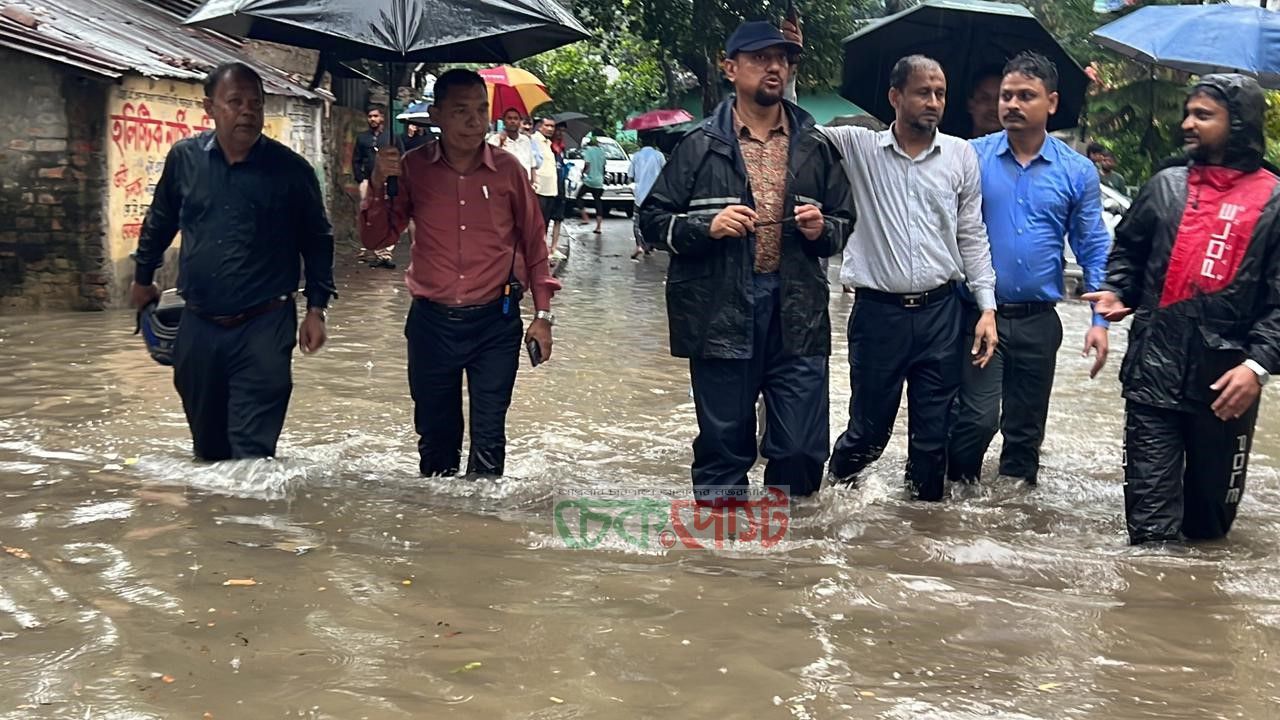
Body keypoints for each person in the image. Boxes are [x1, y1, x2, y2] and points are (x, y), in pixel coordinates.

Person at [640, 21, 855, 506]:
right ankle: (725, 568)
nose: (774, 67)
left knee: (802, 450)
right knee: (723, 449)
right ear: (731, 68)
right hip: (720, 310)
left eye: (782, 59)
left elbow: (844, 219)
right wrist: (706, 226)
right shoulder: (698, 144)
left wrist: (824, 229)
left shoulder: (815, 146)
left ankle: (787, 566)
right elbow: (651, 222)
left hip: (797, 310)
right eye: (760, 58)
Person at [784, 22, 998, 502]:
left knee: (931, 438)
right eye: (923, 92)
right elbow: (798, 123)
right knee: (868, 432)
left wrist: (986, 307)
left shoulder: (961, 156)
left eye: (940, 93)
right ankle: (826, 507)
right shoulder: (861, 147)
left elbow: (972, 234)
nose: (934, 102)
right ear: (895, 97)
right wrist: (791, 66)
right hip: (879, 314)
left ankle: (920, 534)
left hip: (943, 313)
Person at [1084, 74, 1280, 545]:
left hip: (1226, 384)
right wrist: (1117, 291)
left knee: (1209, 530)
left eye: (1203, 115)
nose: (1187, 123)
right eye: (1187, 113)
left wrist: (1257, 367)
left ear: (1238, 123)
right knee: (1150, 535)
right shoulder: (1166, 186)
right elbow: (1129, 251)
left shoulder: (1274, 200)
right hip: (1152, 376)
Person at [130, 61, 335, 461]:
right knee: (207, 452)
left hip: (265, 324)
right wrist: (142, 279)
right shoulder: (185, 160)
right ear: (210, 107)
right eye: (235, 102)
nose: (247, 111)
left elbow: (318, 240)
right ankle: (212, 523)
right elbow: (159, 222)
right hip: (199, 323)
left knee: (252, 454)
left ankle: (250, 523)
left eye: (255, 103)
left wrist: (316, 308)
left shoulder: (291, 171)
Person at [360, 69, 560, 479]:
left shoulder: (508, 171)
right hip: (431, 324)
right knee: (436, 444)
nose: (474, 121)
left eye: (480, 110)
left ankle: (483, 536)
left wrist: (542, 317)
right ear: (436, 115)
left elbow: (535, 245)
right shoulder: (412, 169)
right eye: (460, 111)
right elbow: (375, 236)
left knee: (489, 440)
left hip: (495, 323)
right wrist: (380, 182)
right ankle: (439, 534)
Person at [947, 52, 1112, 487]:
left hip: (1039, 321)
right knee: (978, 419)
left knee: (1024, 435)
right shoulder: (970, 157)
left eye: (1026, 96)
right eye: (1006, 96)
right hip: (980, 315)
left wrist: (1100, 321)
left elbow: (1092, 246)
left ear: (1052, 103)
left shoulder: (1076, 171)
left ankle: (1012, 527)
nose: (1012, 104)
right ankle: (950, 508)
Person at [354, 106, 396, 268]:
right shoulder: (363, 138)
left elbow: (401, 156)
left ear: (382, 118)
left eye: (375, 116)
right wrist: (361, 178)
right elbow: (356, 159)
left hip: (387, 181)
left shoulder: (390, 137)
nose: (372, 119)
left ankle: (385, 253)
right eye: (370, 116)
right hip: (368, 181)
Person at [628, 133, 665, 260]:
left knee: (637, 221)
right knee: (653, 220)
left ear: (640, 142)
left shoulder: (636, 156)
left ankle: (639, 245)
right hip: (655, 195)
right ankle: (649, 245)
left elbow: (630, 176)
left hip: (640, 194)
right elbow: (665, 173)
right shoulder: (659, 156)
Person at [531, 117, 564, 251]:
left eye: (552, 126)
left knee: (545, 222)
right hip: (540, 188)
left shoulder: (548, 144)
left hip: (551, 189)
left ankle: (541, 252)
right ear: (540, 126)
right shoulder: (534, 140)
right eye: (547, 126)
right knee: (538, 224)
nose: (550, 129)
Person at [488, 107, 538, 185]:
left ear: (520, 121)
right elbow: (491, 161)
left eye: (515, 118)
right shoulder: (494, 139)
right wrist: (501, 143)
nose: (512, 121)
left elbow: (532, 164)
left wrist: (535, 183)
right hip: (504, 183)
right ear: (504, 122)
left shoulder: (526, 140)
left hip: (524, 183)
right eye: (509, 118)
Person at [577, 136, 606, 234]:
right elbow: (603, 167)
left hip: (589, 181)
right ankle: (598, 227)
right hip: (599, 181)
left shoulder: (588, 151)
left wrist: (583, 173)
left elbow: (587, 165)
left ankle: (585, 217)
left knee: (579, 197)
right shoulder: (602, 152)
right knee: (598, 202)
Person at [966, 67, 1003, 138]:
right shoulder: (954, 147)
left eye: (1000, 99)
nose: (993, 107)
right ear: (970, 105)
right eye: (985, 98)